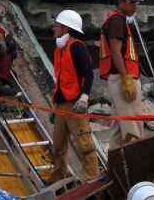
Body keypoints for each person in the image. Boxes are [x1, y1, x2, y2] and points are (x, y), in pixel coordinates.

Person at [49, 9, 100, 182]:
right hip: (62, 104)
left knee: (84, 144)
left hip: (75, 104)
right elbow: (60, 79)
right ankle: (58, 176)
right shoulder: (59, 49)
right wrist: (55, 103)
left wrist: (84, 96)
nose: (54, 27)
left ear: (66, 28)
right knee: (58, 144)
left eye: (57, 25)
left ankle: (93, 178)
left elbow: (88, 74)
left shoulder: (77, 47)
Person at [99, 0, 146, 148]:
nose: (135, 6)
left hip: (119, 78)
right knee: (133, 128)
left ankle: (115, 169)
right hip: (122, 79)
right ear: (120, 1)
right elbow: (116, 51)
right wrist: (126, 79)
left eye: (137, 2)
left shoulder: (116, 21)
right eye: (132, 1)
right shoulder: (117, 21)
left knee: (119, 131)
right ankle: (136, 170)